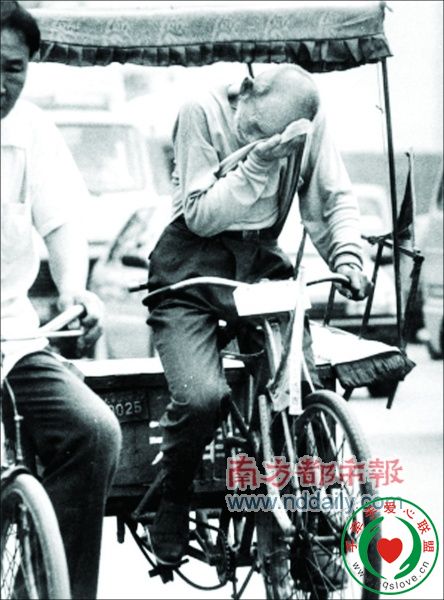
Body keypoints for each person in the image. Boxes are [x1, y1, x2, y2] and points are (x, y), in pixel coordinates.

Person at [144, 64, 370, 567]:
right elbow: (201, 215)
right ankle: (173, 499)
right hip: (190, 265)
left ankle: (315, 518)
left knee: (302, 382)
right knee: (202, 397)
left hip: (259, 261)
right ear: (243, 92)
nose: (259, 141)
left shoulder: (308, 123)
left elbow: (332, 199)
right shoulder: (201, 110)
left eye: (274, 137)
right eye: (253, 130)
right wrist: (258, 164)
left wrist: (349, 257)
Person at [1, 2, 122, 598]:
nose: (1, 83)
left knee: (94, 431)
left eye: (13, 68)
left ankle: (61, 588)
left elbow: (62, 220)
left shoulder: (32, 132)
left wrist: (75, 287)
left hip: (12, 339)